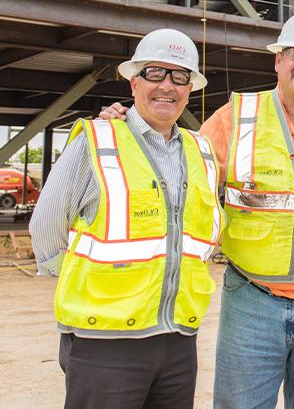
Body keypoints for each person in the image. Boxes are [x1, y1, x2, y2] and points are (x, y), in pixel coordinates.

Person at [102, 11, 294, 409]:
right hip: (252, 299)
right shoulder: (237, 117)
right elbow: (175, 166)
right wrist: (127, 129)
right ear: (277, 60)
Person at [30, 29, 224, 408]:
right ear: (134, 82)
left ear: (190, 88)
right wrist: (81, 286)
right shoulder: (98, 139)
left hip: (177, 336)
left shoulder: (200, 150)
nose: (167, 86)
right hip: (106, 343)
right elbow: (46, 227)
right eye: (155, 73)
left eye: (179, 76)